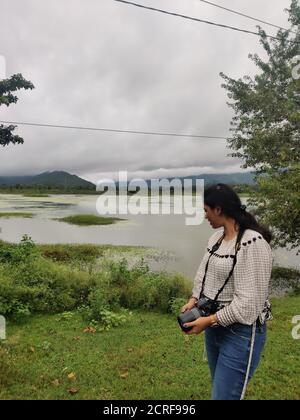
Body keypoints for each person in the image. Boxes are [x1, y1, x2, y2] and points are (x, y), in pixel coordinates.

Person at [180, 183, 274, 401]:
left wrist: (210, 320)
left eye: (206, 210)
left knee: (225, 396)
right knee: (220, 390)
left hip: (240, 333)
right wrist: (194, 299)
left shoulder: (252, 243)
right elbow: (203, 273)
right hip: (214, 328)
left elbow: (249, 305)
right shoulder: (216, 239)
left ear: (219, 209)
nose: (205, 216)